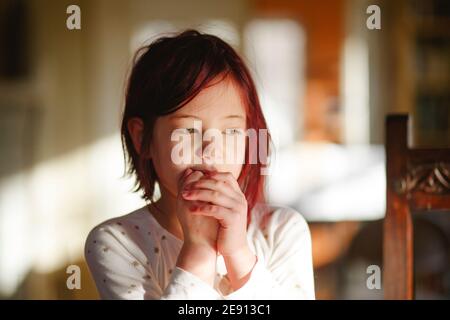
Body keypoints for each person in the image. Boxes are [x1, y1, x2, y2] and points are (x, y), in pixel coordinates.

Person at [84, 29, 315, 300]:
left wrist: (238, 255)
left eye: (230, 131)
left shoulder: (281, 230)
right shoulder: (116, 242)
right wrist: (200, 250)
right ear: (142, 138)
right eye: (189, 132)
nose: (211, 152)